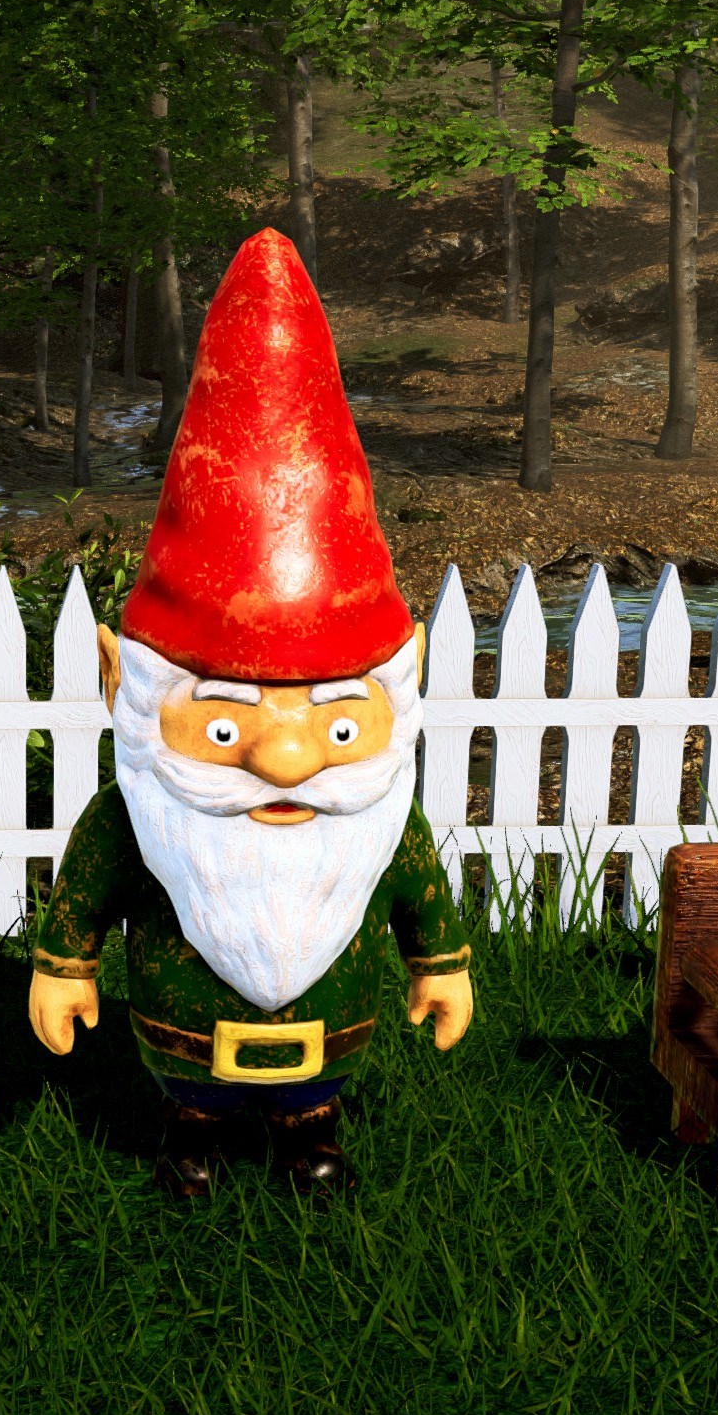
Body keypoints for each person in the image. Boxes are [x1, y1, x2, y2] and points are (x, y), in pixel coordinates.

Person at [27, 230, 473, 1200]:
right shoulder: (136, 820)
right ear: (121, 684)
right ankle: (193, 1135)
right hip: (181, 1030)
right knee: (193, 1103)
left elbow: (419, 890)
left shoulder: (383, 825)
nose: (286, 762)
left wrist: (440, 964)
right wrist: (65, 966)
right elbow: (88, 889)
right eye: (224, 728)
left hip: (333, 1027)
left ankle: (313, 1135)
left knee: (315, 1103)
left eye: (339, 728)